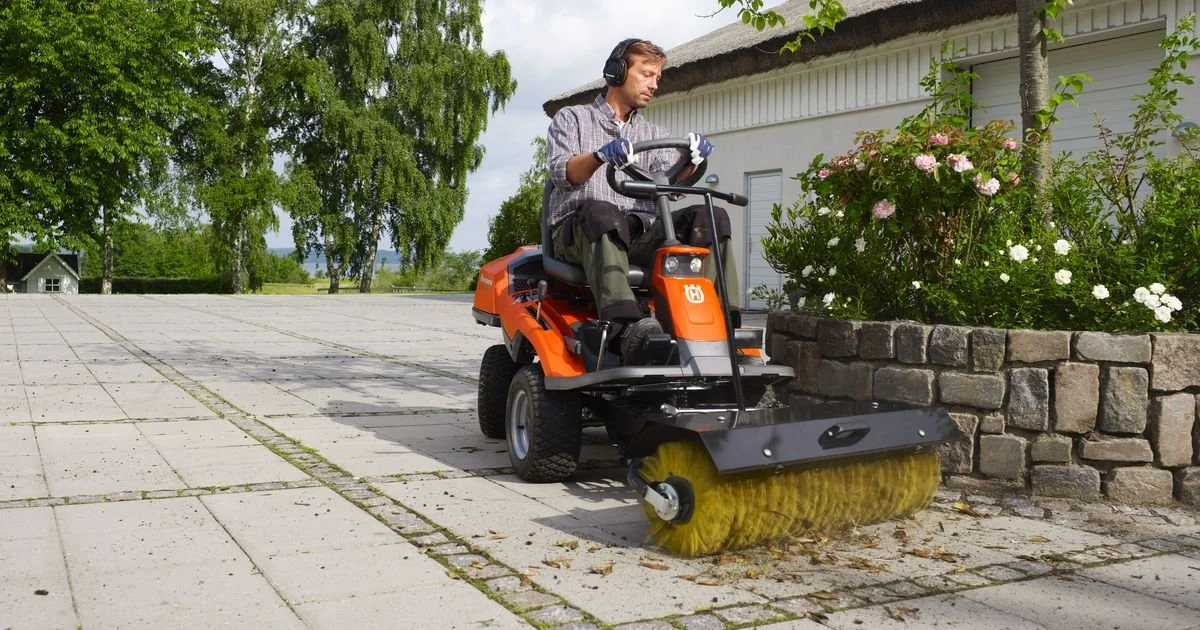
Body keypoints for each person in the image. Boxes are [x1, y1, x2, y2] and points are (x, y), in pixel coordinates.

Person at [546, 38, 742, 365]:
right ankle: (625, 329)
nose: (654, 85)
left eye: (657, 78)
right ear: (617, 72)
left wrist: (691, 161)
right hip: (581, 234)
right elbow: (562, 172)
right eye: (647, 74)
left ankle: (723, 325)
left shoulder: (653, 133)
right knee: (602, 212)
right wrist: (598, 156)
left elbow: (669, 185)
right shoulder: (572, 118)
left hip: (638, 234)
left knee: (711, 216)